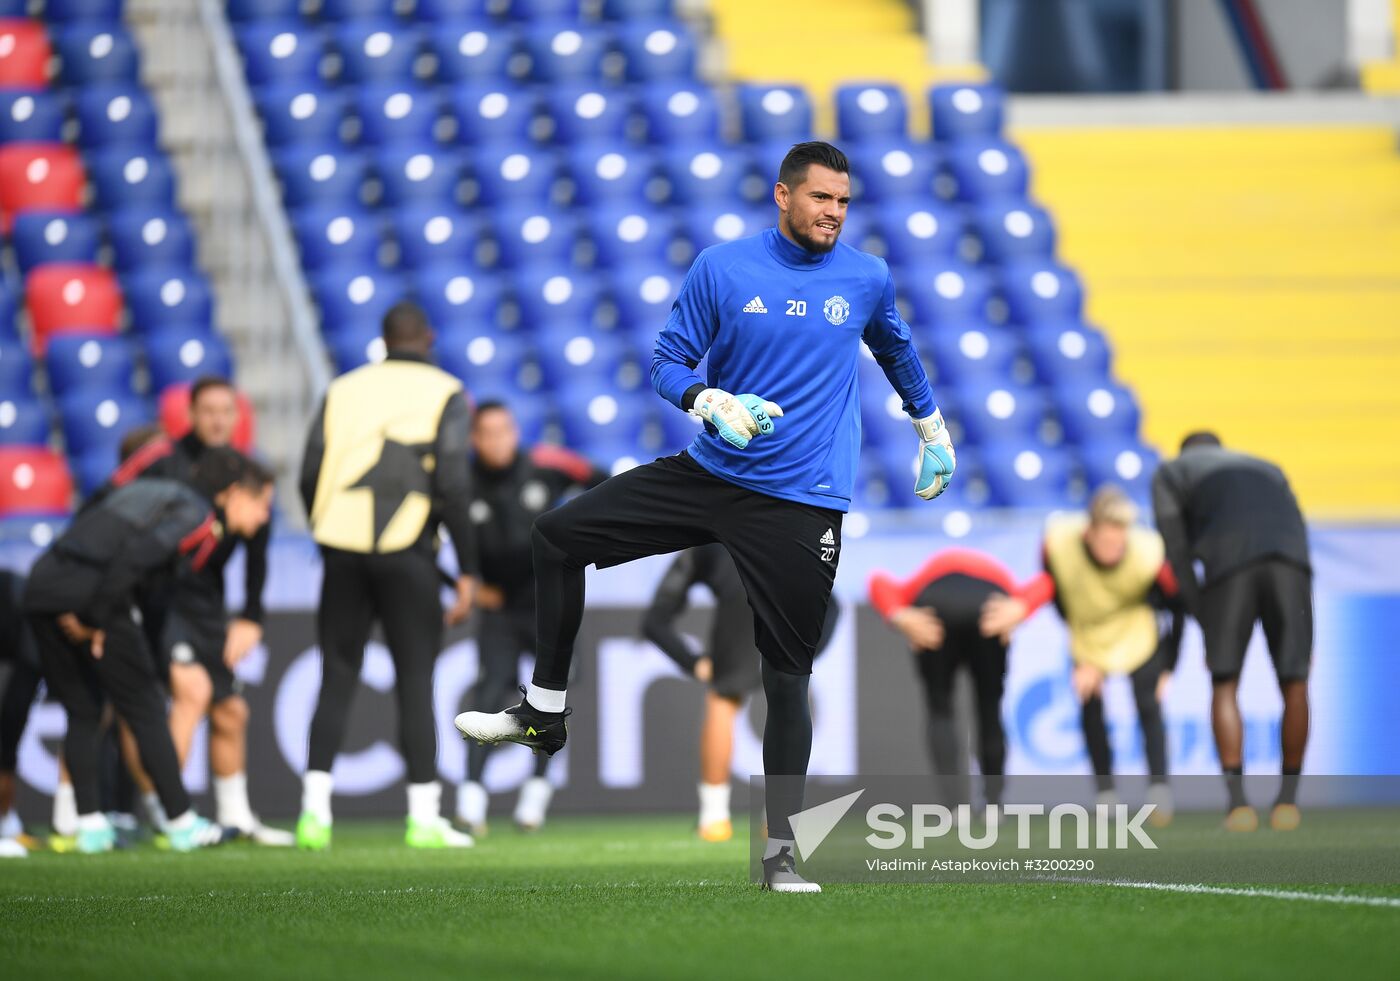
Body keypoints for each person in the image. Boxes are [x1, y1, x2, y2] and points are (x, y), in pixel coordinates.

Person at [456, 141, 955, 893]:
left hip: (801, 500)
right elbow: (666, 363)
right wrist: (709, 401)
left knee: (786, 678)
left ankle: (781, 855)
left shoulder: (866, 276)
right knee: (556, 537)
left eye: (844, 202)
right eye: (821, 199)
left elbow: (897, 348)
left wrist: (931, 428)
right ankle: (544, 712)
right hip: (712, 473)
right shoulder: (722, 267)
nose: (834, 214)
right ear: (782, 196)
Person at [23, 448, 273, 853]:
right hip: (94, 595)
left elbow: (93, 525)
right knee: (146, 707)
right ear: (230, 494)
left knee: (84, 709)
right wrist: (94, 618)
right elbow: (134, 560)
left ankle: (89, 828)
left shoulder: (148, 491)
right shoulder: (195, 514)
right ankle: (181, 822)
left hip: (45, 585)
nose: (264, 517)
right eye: (262, 504)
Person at [297, 301, 479, 850]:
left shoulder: (342, 389)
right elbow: (451, 479)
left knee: (336, 674)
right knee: (415, 679)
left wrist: (327, 529)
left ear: (383, 339)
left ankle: (314, 817)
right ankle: (423, 817)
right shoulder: (445, 391)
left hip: (341, 547)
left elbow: (310, 472)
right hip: (408, 552)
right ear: (428, 337)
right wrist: (466, 567)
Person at [94, 384, 289, 844]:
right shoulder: (164, 460)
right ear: (191, 414)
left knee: (232, 711)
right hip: (157, 600)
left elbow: (259, 549)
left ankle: (236, 816)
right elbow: (109, 507)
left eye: (227, 411)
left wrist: (252, 617)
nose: (219, 420)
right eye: (210, 411)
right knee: (190, 691)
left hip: (206, 605)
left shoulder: (247, 473)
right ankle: (169, 811)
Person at [980, 487, 1182, 824]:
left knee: (1149, 705)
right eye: (1106, 542)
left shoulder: (1149, 553)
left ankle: (1159, 791)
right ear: (1089, 533)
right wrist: (1075, 635)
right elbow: (1053, 587)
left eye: (1119, 542)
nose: (1113, 550)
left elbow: (1179, 607)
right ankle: (1106, 794)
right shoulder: (1059, 544)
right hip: (1087, 633)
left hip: (1136, 631)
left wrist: (1169, 666)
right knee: (1091, 706)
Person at [455, 401, 608, 836]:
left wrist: (586, 538)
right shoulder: (460, 481)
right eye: (487, 433)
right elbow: (421, 536)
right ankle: (471, 803)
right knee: (489, 689)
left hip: (547, 602)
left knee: (550, 702)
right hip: (499, 608)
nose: (497, 440)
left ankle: (533, 803)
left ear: (515, 431)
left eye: (504, 430)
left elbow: (604, 481)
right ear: (474, 439)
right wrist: (463, 581)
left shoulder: (545, 464)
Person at [1152, 432, 1312, 832]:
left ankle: (1238, 804)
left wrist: (1201, 612)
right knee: (1296, 680)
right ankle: (1287, 804)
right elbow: (1298, 525)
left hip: (1229, 563)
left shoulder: (1172, 471)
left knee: (1225, 681)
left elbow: (1176, 549)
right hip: (1291, 562)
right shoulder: (1268, 465)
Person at [641, 543, 841, 843]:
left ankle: (714, 817)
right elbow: (833, 606)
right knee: (791, 692)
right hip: (790, 571)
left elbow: (655, 620)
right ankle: (780, 818)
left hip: (742, 575)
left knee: (724, 697)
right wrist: (806, 657)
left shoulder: (703, 533)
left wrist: (694, 663)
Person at [868, 549, 1016, 812]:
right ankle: (994, 805)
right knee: (990, 709)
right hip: (990, 602)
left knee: (940, 709)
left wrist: (898, 615)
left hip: (935, 602)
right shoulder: (1001, 577)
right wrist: (1022, 606)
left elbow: (878, 582)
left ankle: (954, 808)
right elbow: (1042, 586)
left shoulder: (929, 572)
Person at [0, 568, 42, 857]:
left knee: (6, 747)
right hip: (22, 661)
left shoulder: (13, 587)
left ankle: (4, 822)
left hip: (22, 661)